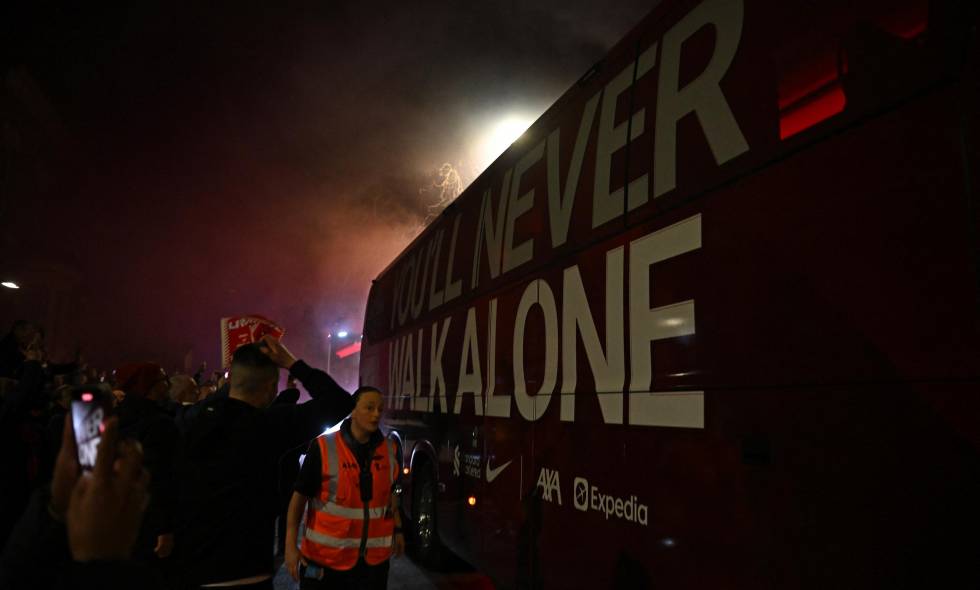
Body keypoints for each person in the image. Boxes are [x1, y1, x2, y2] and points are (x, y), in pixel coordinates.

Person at [173, 336, 354, 589]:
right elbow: (340, 401)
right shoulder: (270, 425)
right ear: (271, 387)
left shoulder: (189, 420)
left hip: (192, 572)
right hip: (250, 573)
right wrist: (291, 362)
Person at [284, 386, 404, 590]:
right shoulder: (323, 447)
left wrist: (398, 529)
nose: (376, 414)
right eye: (369, 407)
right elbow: (299, 498)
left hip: (372, 566)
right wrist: (290, 546)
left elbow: (390, 493)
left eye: (380, 409)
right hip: (325, 563)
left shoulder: (390, 450)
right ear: (353, 411)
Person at [114, 362, 179, 564]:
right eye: (162, 379)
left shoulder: (113, 418)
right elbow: (160, 477)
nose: (168, 384)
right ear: (148, 385)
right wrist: (164, 526)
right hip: (149, 521)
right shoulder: (159, 423)